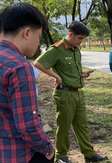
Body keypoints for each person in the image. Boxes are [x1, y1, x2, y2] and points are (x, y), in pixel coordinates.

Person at [34, 21, 108, 163]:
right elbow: (38, 63)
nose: (81, 42)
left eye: (83, 39)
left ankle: (89, 153)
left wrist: (81, 74)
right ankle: (61, 156)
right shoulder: (57, 49)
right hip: (64, 94)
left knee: (82, 125)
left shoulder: (75, 49)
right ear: (70, 34)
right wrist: (56, 76)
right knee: (64, 126)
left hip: (78, 93)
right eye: (80, 38)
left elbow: (71, 70)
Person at [0, 2, 55, 163]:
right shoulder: (19, 66)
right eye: (39, 36)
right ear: (27, 32)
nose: (38, 43)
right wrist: (48, 148)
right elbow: (28, 126)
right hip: (17, 153)